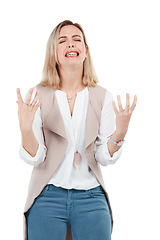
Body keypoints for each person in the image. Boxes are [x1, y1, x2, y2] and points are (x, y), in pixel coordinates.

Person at [16, 20, 137, 240]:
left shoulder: (102, 97)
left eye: (76, 39)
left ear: (85, 51)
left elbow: (103, 156)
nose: (70, 44)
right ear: (54, 52)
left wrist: (120, 132)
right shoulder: (37, 95)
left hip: (91, 198)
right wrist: (25, 129)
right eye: (62, 41)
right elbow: (36, 157)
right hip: (47, 196)